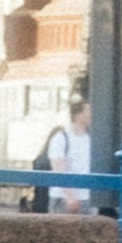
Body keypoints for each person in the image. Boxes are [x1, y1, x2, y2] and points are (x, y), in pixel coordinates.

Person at [29, 85, 94, 215]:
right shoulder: (61, 138)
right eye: (88, 110)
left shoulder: (91, 139)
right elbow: (59, 168)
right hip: (64, 198)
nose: (91, 114)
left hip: (86, 197)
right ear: (79, 114)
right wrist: (70, 195)